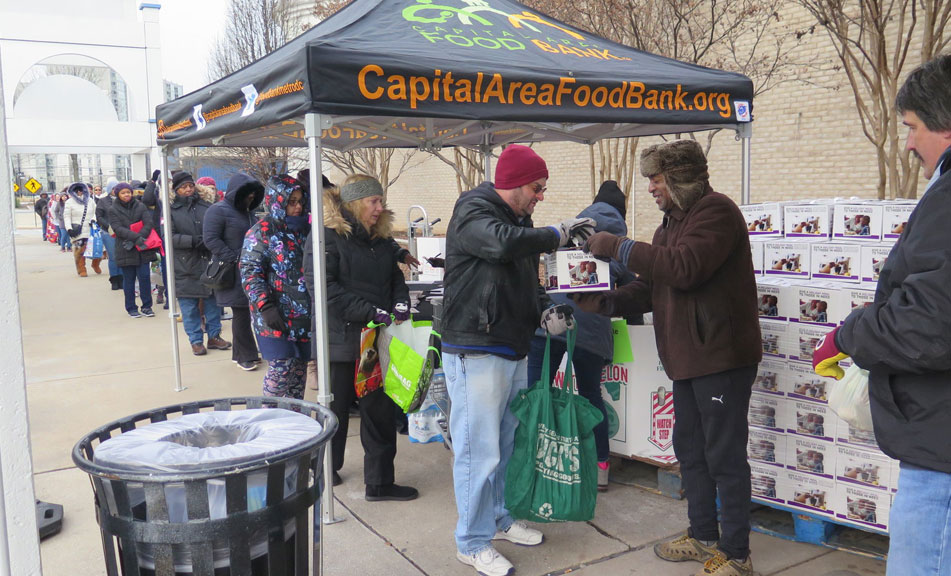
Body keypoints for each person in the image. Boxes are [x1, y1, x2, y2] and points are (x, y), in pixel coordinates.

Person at [580, 139, 761, 576]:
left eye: (655, 180)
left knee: (724, 455)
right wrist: (603, 302)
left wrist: (618, 246)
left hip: (721, 357)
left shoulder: (717, 213)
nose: (650, 189)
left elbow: (684, 267)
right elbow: (657, 284)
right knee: (691, 449)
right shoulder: (670, 224)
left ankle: (737, 553)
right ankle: (702, 536)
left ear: (678, 178)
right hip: (687, 358)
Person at [812, 54, 951, 576]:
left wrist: (850, 334)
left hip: (941, 457)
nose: (909, 142)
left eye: (913, 128)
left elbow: (931, 325)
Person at [441, 144, 595, 576]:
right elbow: (499, 245)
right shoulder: (474, 210)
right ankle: (471, 541)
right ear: (513, 183)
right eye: (537, 187)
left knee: (507, 444)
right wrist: (556, 234)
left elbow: (526, 279)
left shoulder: (519, 223)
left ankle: (500, 517)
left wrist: (545, 308)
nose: (540, 196)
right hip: (476, 345)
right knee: (478, 450)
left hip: (511, 345)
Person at [303, 173, 418, 500]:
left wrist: (399, 302)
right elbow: (325, 290)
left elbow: (394, 277)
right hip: (339, 341)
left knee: (379, 412)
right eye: (374, 201)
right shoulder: (325, 237)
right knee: (335, 412)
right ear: (355, 203)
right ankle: (327, 468)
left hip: (374, 342)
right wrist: (370, 312)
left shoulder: (379, 239)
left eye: (381, 201)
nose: (380, 208)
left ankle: (380, 483)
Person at [526, 180, 633, 493]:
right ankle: (600, 467)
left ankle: (532, 461)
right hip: (592, 331)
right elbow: (632, 290)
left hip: (549, 321)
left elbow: (545, 266)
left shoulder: (571, 230)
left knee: (537, 392)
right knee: (590, 395)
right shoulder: (619, 243)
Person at [240, 174, 312, 397]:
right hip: (273, 315)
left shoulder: (306, 230)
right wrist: (265, 305)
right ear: (277, 200)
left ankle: (296, 421)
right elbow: (250, 273)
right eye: (292, 202)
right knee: (280, 371)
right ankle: (271, 416)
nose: (298, 207)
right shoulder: (261, 232)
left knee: (298, 372)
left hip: (302, 315)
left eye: (300, 201)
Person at [204, 173, 265, 371]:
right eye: (247, 195)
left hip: (249, 269)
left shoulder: (249, 213)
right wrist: (235, 257)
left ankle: (242, 353)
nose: (251, 198)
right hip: (232, 270)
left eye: (254, 195)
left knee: (246, 311)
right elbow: (211, 239)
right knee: (241, 312)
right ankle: (245, 356)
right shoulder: (218, 211)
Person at [168, 171, 232, 356]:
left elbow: (218, 227)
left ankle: (214, 336)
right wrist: (193, 241)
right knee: (189, 306)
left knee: (213, 302)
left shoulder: (207, 205)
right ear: (176, 190)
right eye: (183, 187)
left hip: (208, 261)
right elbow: (169, 237)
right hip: (184, 264)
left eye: (190, 185)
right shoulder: (171, 210)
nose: (188, 189)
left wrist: (211, 240)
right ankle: (196, 340)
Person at [108, 182, 156, 318]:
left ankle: (147, 306)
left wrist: (140, 238)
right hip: (125, 248)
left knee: (145, 278)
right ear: (118, 194)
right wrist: (136, 238)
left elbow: (148, 223)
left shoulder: (140, 206)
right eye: (123, 193)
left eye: (128, 192)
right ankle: (131, 307)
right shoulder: (113, 209)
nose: (126, 195)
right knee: (129, 280)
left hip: (142, 248)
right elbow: (117, 228)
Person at [64, 182, 103, 277]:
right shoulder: (69, 202)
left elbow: (96, 212)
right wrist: (69, 228)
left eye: (81, 190)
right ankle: (81, 269)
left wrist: (94, 219)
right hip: (77, 230)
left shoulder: (90, 201)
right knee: (80, 250)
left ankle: (95, 264)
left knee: (97, 247)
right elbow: (67, 216)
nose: (79, 192)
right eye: (76, 191)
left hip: (91, 228)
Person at [96, 178, 123, 290]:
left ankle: (122, 279)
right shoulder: (102, 201)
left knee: (122, 256)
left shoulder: (123, 200)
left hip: (122, 232)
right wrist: (108, 226)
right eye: (113, 188)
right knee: (113, 256)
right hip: (108, 232)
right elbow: (99, 216)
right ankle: (114, 279)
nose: (115, 190)